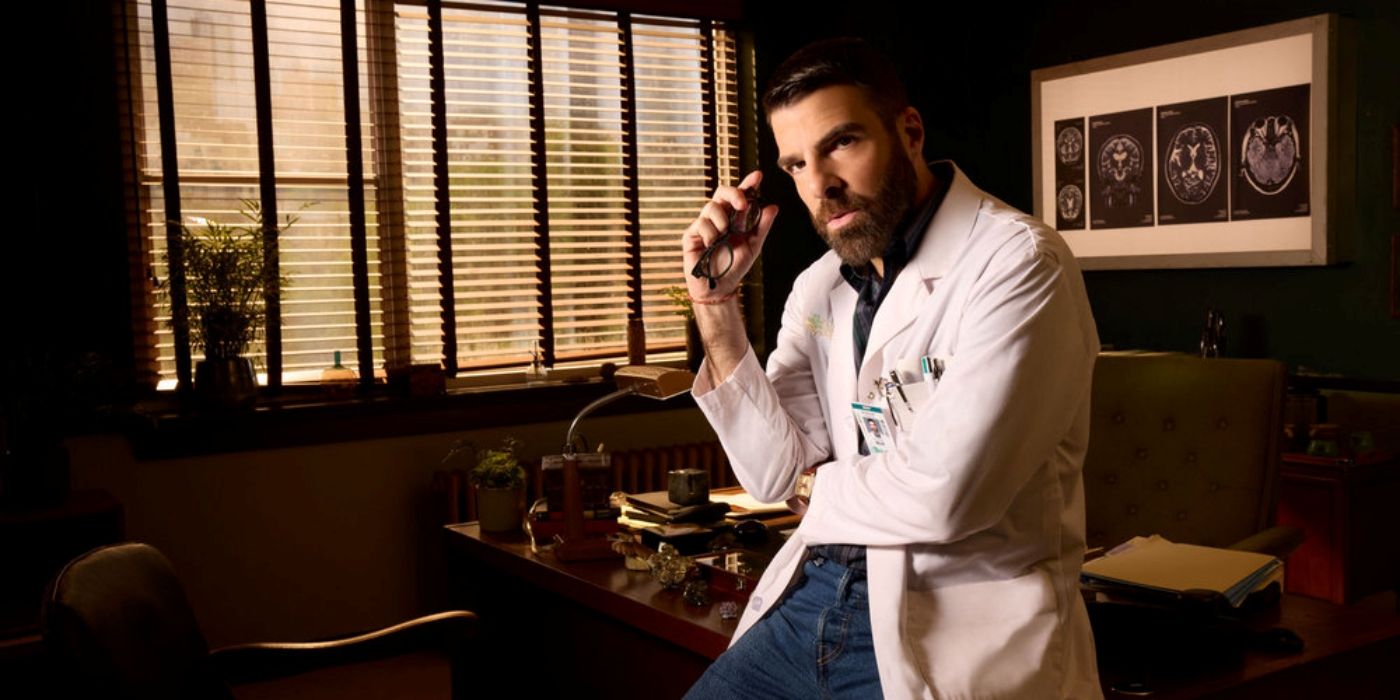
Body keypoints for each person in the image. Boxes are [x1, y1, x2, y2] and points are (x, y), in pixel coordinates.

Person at [679, 38, 1102, 699]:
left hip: (951, 627)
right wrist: (717, 308)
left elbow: (946, 497)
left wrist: (815, 491)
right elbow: (770, 473)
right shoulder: (821, 288)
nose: (820, 184)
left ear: (908, 131)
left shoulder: (1018, 264)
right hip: (818, 598)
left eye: (840, 143)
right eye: (796, 164)